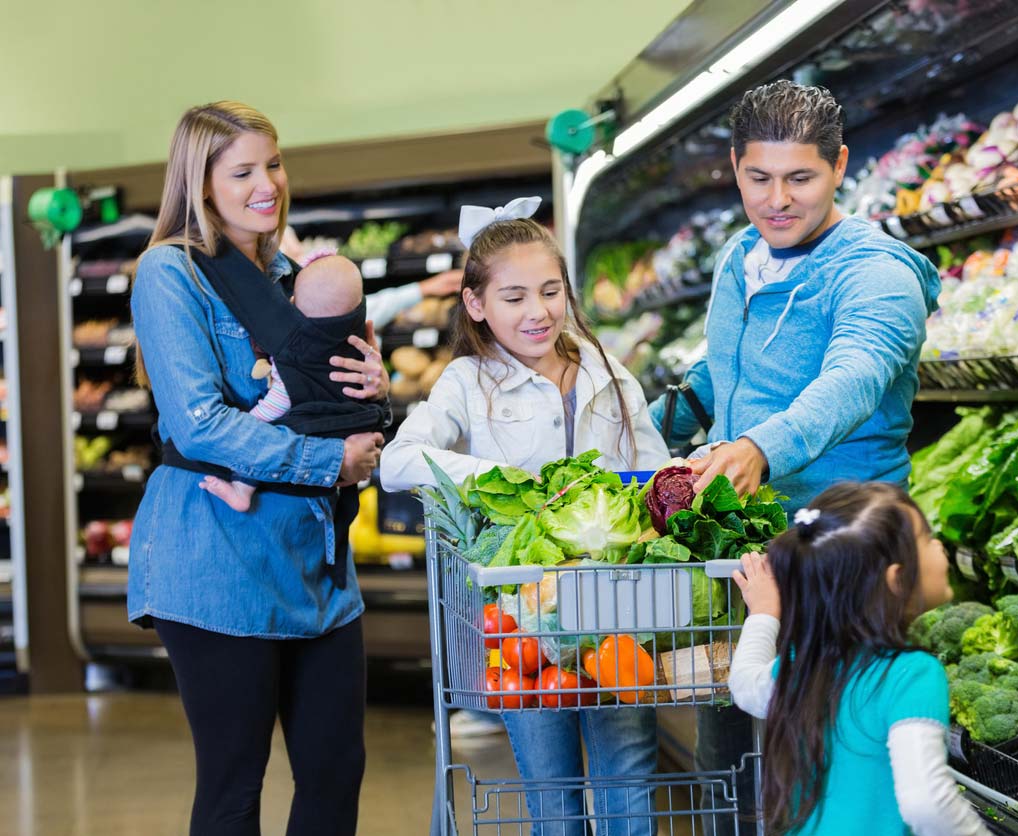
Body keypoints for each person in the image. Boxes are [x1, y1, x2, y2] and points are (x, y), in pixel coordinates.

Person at [649, 80, 942, 831]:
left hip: (842, 555)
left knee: (817, 761)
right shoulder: (740, 255)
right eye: (758, 178)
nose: (777, 199)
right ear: (736, 167)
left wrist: (760, 447)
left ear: (840, 165)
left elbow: (852, 377)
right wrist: (648, 424)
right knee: (731, 745)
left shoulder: (876, 273)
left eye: (801, 178)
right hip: (753, 545)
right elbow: (731, 368)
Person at [128, 101, 388, 836]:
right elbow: (198, 424)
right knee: (234, 786)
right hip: (214, 557)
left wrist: (376, 392)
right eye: (241, 171)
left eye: (272, 163)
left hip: (315, 561)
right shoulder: (169, 272)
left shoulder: (293, 276)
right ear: (200, 184)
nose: (266, 184)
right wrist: (327, 459)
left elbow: (327, 394)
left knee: (336, 772)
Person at [380, 198, 670, 836]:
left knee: (630, 782)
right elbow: (397, 462)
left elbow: (653, 476)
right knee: (553, 795)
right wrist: (500, 482)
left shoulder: (608, 372)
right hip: (521, 621)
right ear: (476, 305)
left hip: (615, 609)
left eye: (550, 291)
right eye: (513, 297)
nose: (537, 312)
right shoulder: (465, 382)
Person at [729, 483, 991, 836]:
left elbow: (745, 686)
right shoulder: (912, 674)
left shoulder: (807, 663)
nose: (938, 545)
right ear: (897, 579)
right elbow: (925, 800)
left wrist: (762, 612)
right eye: (926, 538)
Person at [198, 251, 382, 512]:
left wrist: (253, 421)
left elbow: (281, 399)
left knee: (274, 434)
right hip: (356, 425)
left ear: (293, 306)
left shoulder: (296, 352)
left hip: (317, 430)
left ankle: (242, 490)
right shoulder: (356, 342)